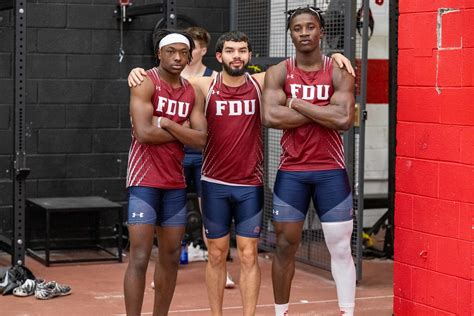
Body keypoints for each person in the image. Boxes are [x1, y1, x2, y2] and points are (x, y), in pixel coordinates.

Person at [128, 31, 354, 316]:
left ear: (249, 55)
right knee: (217, 255)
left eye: (243, 51)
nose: (237, 56)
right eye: (231, 51)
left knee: (249, 255)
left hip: (250, 184)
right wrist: (137, 72)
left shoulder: (261, 82)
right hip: (214, 183)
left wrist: (333, 57)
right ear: (219, 56)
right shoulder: (203, 86)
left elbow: (300, 61)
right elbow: (166, 77)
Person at [261, 6, 356, 316]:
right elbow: (271, 116)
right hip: (292, 171)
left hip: (331, 170)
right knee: (285, 247)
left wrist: (296, 102)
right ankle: (281, 312)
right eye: (297, 28)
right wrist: (320, 110)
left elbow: (342, 119)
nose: (303, 32)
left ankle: (348, 311)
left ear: (321, 31)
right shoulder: (278, 72)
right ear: (291, 34)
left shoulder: (339, 70)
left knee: (340, 248)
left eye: (310, 27)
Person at [124, 29, 207, 316]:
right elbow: (145, 133)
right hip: (144, 181)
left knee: (170, 256)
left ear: (190, 56)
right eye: (170, 51)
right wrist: (183, 130)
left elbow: (201, 139)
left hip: (174, 182)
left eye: (183, 52)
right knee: (139, 256)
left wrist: (169, 124)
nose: (177, 57)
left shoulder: (192, 91)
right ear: (159, 53)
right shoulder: (145, 82)